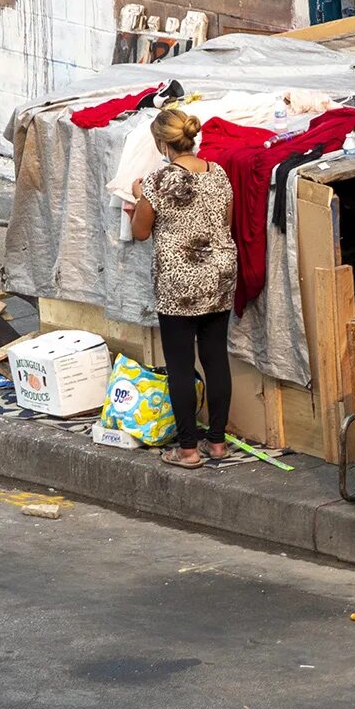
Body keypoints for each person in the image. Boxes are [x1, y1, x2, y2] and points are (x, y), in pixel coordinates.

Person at [130, 107, 238, 469]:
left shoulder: (159, 180)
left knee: (179, 364)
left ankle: (188, 449)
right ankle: (217, 442)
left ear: (163, 142)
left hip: (180, 279)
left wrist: (139, 196)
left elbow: (141, 232)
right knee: (215, 357)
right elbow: (224, 222)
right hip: (219, 273)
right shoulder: (218, 173)